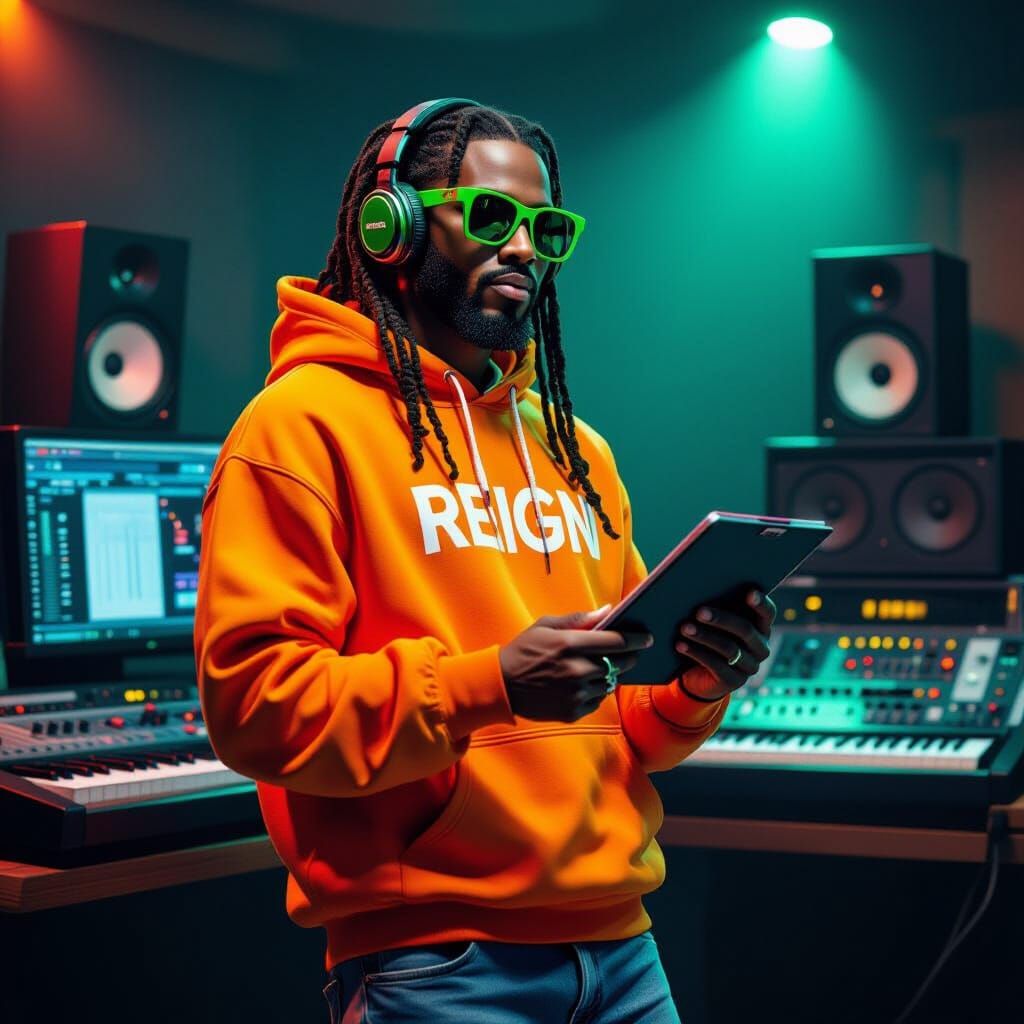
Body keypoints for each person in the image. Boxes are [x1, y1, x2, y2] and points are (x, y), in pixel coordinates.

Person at [194, 98, 775, 1023]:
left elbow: (634, 728)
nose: (525, 250)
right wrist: (489, 685)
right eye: (493, 218)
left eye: (547, 229)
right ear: (394, 227)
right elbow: (256, 712)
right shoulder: (298, 428)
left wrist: (697, 683)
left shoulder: (578, 450)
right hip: (436, 966)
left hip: (625, 949)